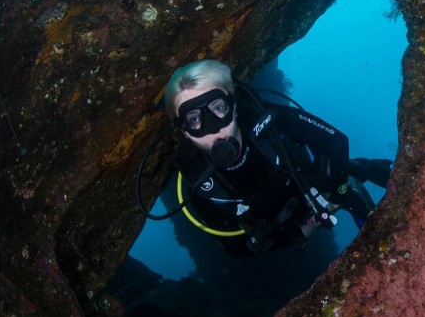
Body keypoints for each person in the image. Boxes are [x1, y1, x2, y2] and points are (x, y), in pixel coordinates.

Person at [163, 59, 391, 255]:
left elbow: (336, 141)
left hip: (312, 184)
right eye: (194, 120)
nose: (213, 129)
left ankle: (367, 169)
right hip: (283, 222)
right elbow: (234, 249)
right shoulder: (198, 181)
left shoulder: (266, 119)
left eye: (218, 108)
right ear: (184, 131)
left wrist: (337, 194)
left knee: (349, 182)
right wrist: (295, 235)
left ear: (233, 106)